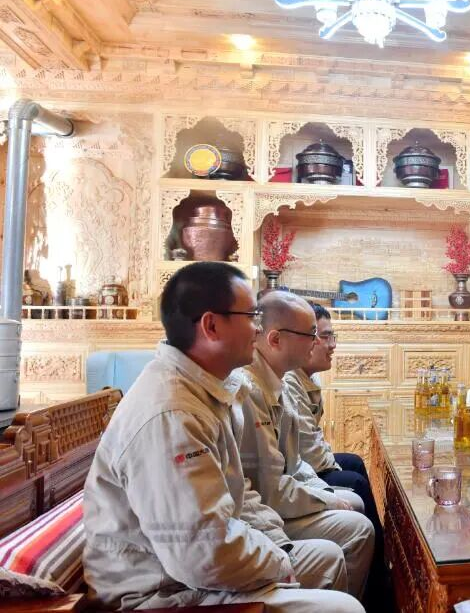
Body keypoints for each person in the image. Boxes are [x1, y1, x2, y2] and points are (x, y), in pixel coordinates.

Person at [82, 262, 363, 612]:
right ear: (211, 326)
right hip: (160, 592)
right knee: (344, 608)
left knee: (326, 559)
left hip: (198, 568)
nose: (258, 328)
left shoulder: (210, 389)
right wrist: (278, 562)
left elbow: (240, 496)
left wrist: (277, 548)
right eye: (251, 316)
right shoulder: (172, 414)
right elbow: (202, 554)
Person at [236, 290, 374, 602]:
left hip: (272, 503)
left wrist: (324, 494)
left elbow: (296, 462)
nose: (319, 343)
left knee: (353, 500)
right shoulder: (248, 390)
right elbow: (268, 489)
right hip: (259, 516)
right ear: (275, 339)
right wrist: (325, 500)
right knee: (357, 526)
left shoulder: (278, 381)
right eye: (311, 334)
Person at [281, 303, 391, 611]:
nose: (332, 345)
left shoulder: (303, 378)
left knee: (353, 463)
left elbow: (304, 449)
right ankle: (379, 586)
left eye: (332, 336)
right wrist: (327, 492)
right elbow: (305, 453)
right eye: (324, 336)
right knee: (353, 480)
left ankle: (382, 564)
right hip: (290, 486)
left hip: (297, 473)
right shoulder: (282, 381)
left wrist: (329, 467)